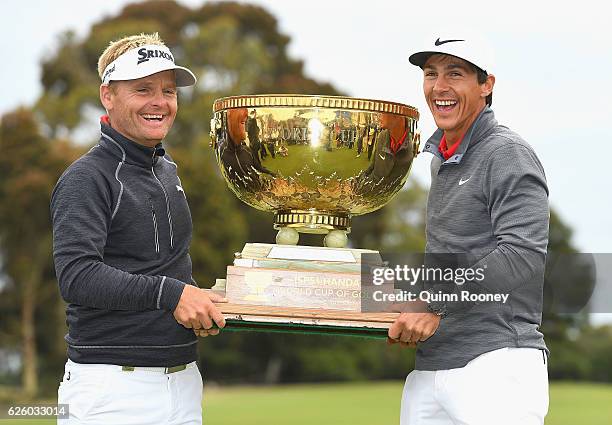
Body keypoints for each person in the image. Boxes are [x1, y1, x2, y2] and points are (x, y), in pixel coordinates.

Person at [51, 33, 226, 424]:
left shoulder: (166, 170)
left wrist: (205, 299)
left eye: (168, 90)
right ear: (108, 96)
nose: (160, 102)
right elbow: (77, 276)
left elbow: (167, 266)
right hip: (111, 389)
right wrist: (174, 294)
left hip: (183, 381)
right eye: (143, 89)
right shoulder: (87, 177)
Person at [388, 34, 550, 425]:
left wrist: (436, 304)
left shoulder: (505, 152)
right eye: (431, 74)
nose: (439, 87)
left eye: (455, 74)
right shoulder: (440, 160)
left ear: (486, 84)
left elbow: (521, 255)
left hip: (495, 364)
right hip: (433, 361)